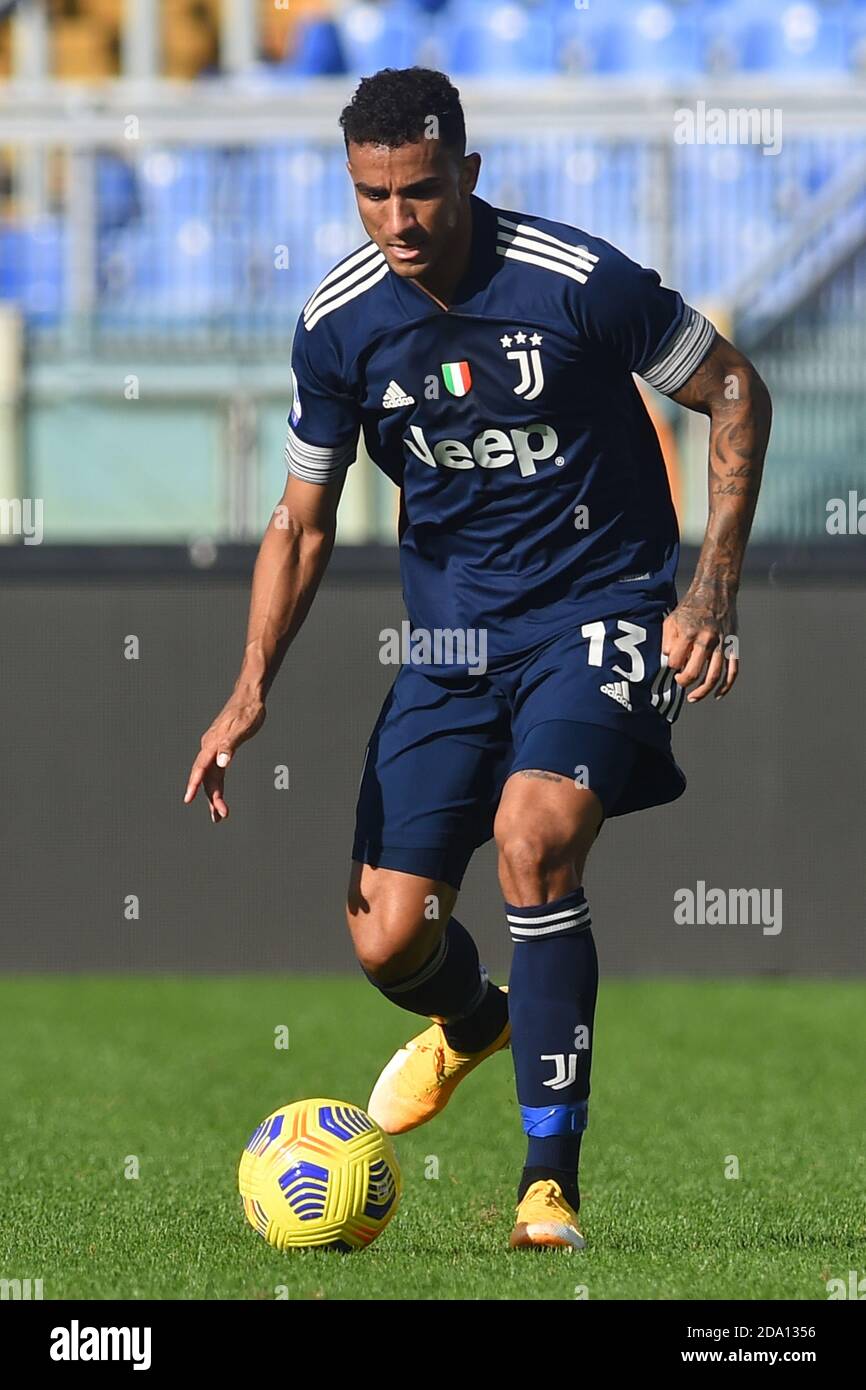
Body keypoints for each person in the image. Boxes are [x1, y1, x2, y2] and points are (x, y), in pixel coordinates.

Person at [184, 67, 771, 1250]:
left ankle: (544, 1182)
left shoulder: (576, 283)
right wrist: (248, 687)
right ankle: (470, 1018)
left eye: (418, 191)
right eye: (370, 195)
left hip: (600, 608)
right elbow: (298, 522)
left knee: (532, 834)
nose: (396, 221)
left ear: (467, 174)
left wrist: (706, 591)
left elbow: (732, 390)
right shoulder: (339, 325)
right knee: (386, 935)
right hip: (450, 643)